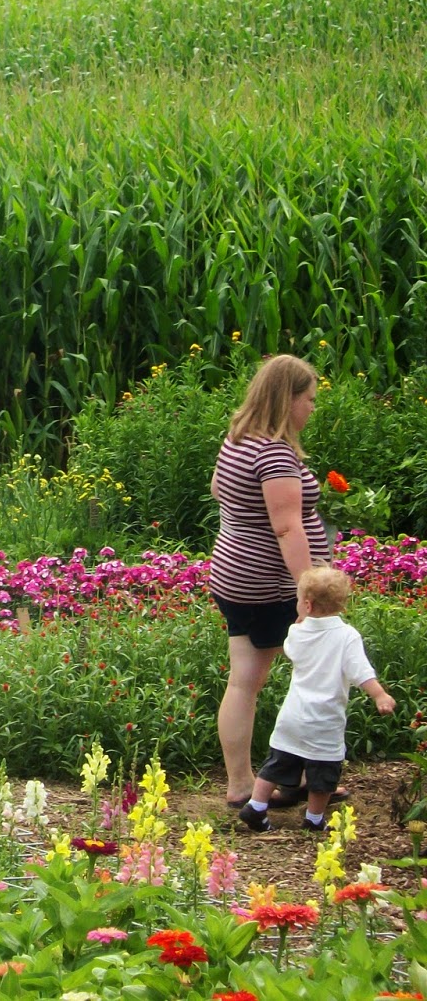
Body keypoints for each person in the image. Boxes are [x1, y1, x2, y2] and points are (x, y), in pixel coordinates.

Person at [210, 354, 334, 809]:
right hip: (270, 585)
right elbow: (287, 527)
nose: (312, 409)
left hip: (232, 575)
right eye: (309, 399)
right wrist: (309, 589)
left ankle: (242, 783)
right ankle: (303, 778)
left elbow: (218, 490)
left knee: (244, 681)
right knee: (316, 676)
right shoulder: (276, 454)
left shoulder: (239, 439)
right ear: (288, 399)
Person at [238, 568, 393, 833]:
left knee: (276, 764)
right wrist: (379, 694)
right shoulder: (347, 636)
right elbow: (360, 671)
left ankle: (256, 805)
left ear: (307, 605)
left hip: (293, 716)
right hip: (324, 720)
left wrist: (300, 622)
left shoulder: (297, 632)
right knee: (323, 774)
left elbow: (290, 650)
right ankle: (314, 818)